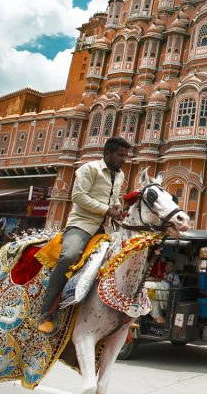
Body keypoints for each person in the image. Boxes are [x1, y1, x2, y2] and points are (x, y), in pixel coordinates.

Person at [38, 137, 130, 333]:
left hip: (106, 229)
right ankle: (46, 312)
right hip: (82, 225)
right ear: (107, 154)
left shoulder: (120, 175)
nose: (124, 159)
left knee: (124, 260)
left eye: (125, 156)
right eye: (120, 155)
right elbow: (78, 196)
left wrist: (118, 211)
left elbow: (113, 200)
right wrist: (106, 210)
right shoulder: (89, 169)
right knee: (69, 256)